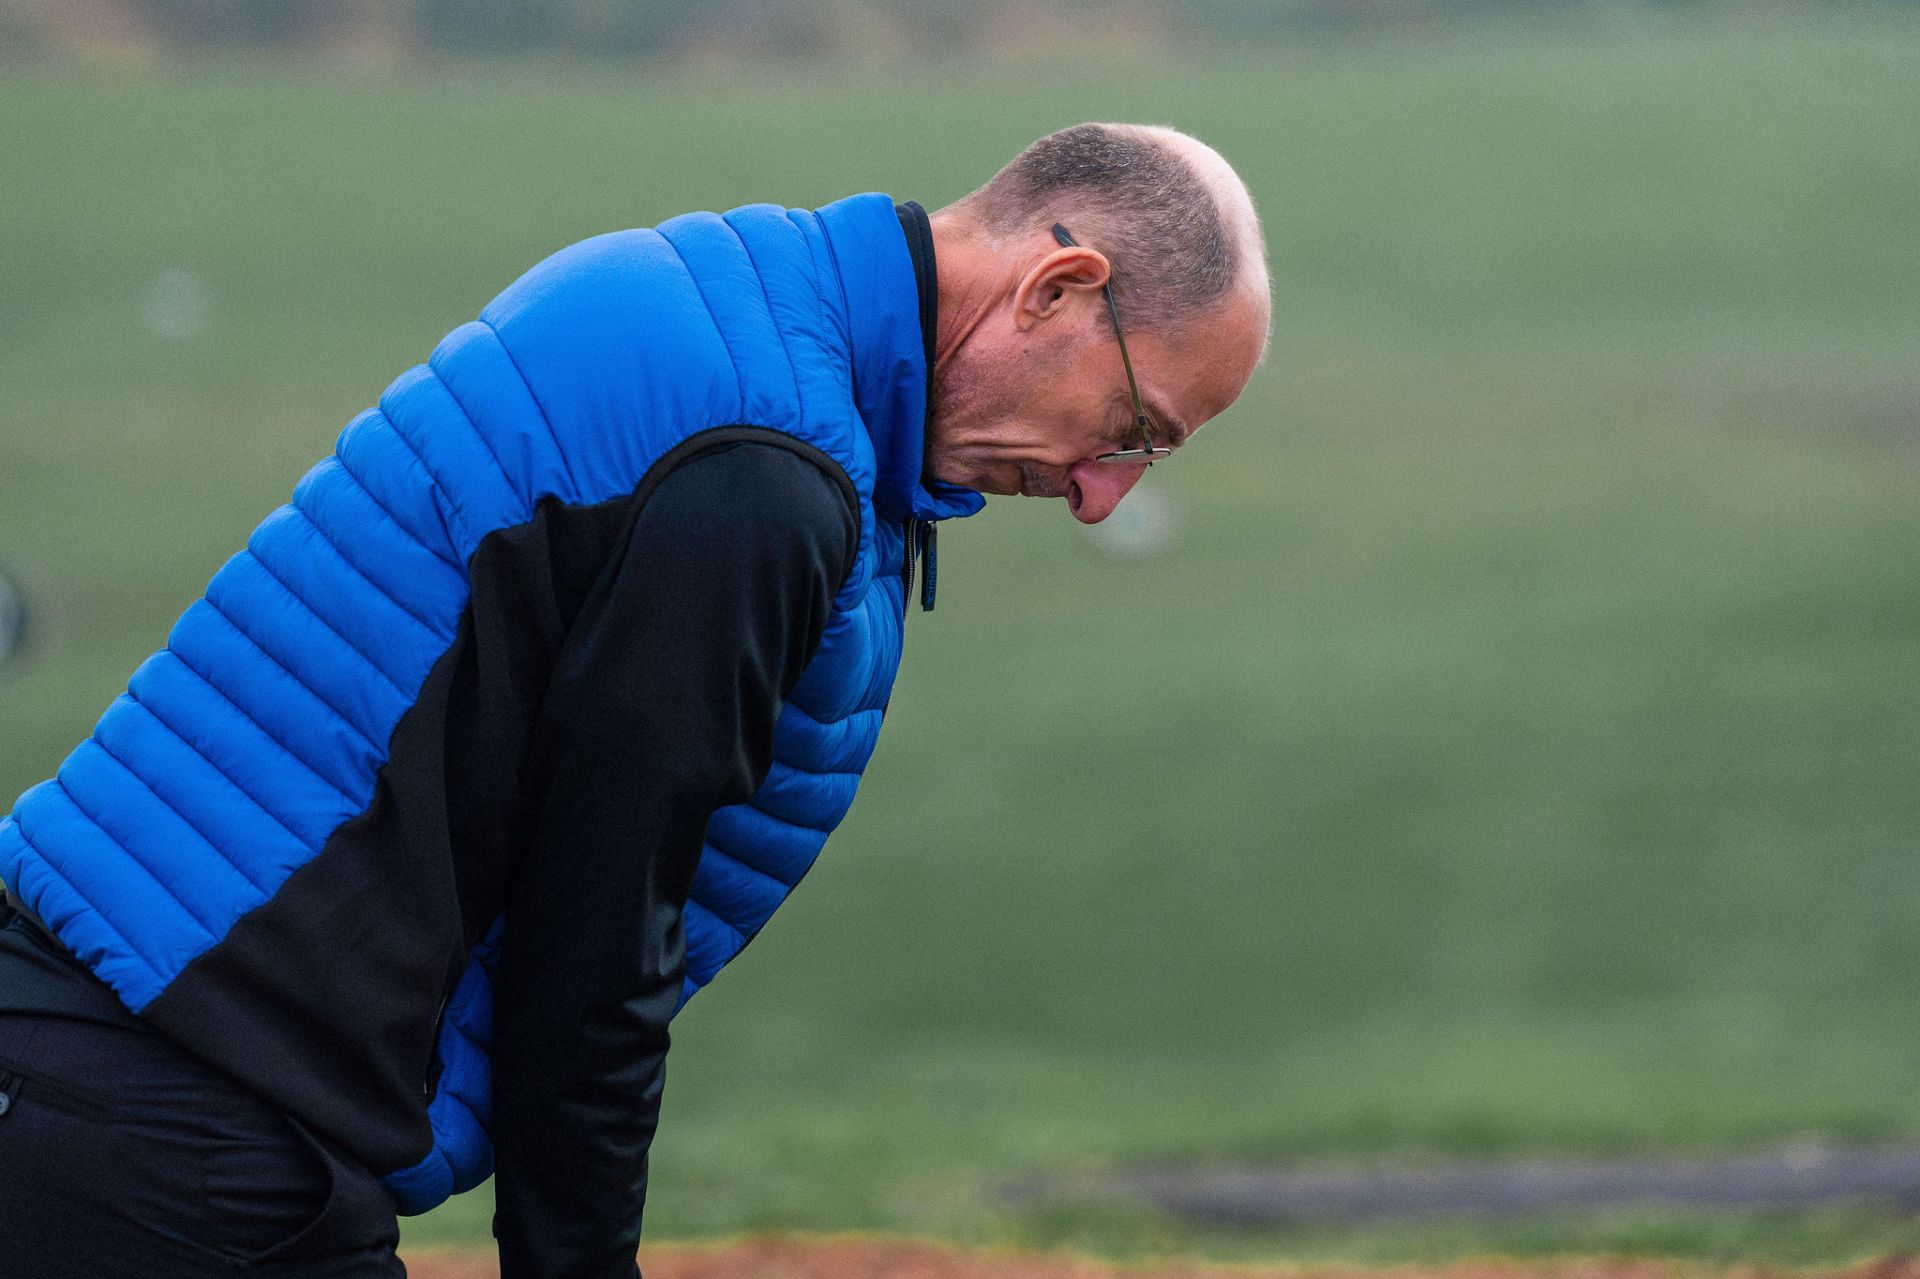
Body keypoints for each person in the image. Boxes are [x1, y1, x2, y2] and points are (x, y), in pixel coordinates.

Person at [0, 122, 1269, 1278]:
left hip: (103, 1049)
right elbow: (596, 939)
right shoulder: (766, 473)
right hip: (187, 1121)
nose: (1103, 495)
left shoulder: (737, 303)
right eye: (1131, 426)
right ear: (1056, 289)